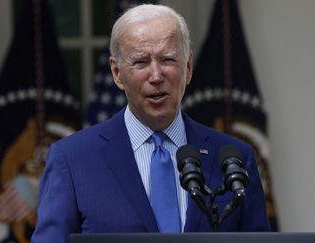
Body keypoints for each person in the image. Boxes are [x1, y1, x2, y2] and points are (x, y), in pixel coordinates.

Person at [31, 4, 270, 243]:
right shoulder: (73, 160)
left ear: (187, 68)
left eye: (167, 59)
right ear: (117, 73)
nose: (156, 76)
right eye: (141, 62)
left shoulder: (233, 159)